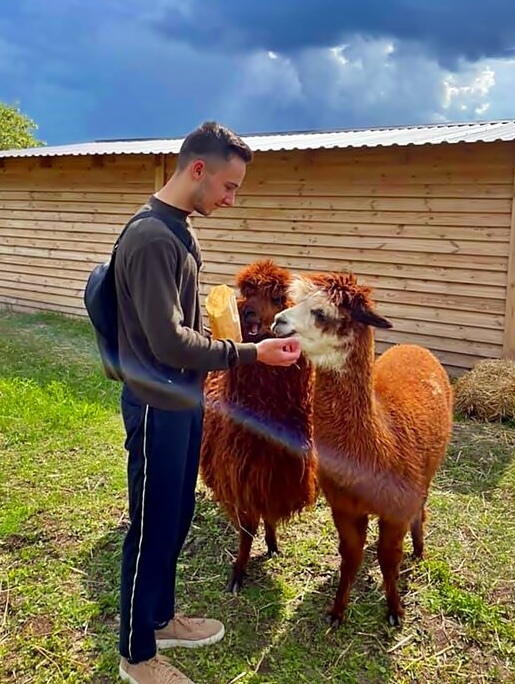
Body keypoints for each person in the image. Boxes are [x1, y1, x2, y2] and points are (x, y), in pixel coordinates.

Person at [115, 121, 301, 684]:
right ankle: (136, 655)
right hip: (155, 402)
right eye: (229, 185)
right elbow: (169, 339)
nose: (231, 197)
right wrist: (250, 353)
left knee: (176, 515)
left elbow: (190, 326)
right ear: (198, 169)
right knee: (150, 525)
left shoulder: (181, 232)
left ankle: (161, 618)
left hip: (186, 397)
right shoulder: (149, 238)